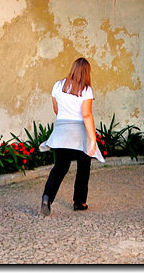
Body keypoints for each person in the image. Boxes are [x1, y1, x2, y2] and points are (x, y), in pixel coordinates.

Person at [39, 57, 104, 216]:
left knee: (60, 167)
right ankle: (79, 202)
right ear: (87, 72)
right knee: (83, 166)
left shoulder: (58, 85)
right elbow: (87, 115)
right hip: (79, 131)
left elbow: (56, 109)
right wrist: (93, 140)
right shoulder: (86, 90)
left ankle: (47, 197)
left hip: (61, 131)